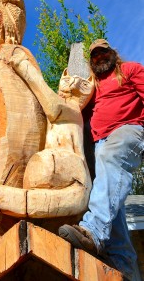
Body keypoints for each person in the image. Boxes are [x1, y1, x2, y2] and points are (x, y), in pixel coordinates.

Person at [59, 39, 144, 281]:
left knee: (109, 158)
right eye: (94, 56)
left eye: (103, 53)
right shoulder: (94, 85)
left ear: (113, 53)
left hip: (130, 131)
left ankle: (93, 230)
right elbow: (76, 107)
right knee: (110, 200)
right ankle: (124, 265)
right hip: (101, 144)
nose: (99, 58)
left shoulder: (130, 70)